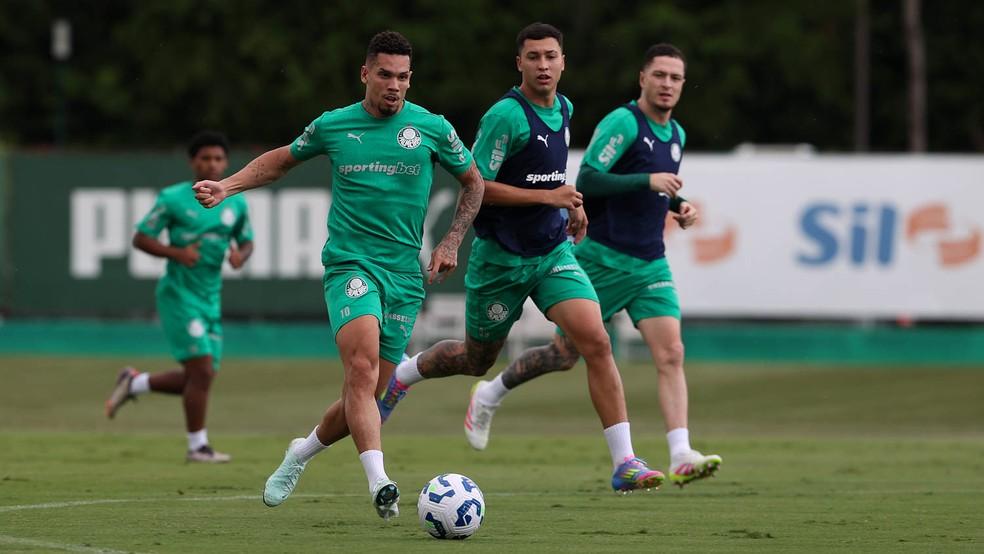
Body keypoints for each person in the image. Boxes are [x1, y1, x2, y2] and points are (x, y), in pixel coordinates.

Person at [191, 31, 484, 519]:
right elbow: (280, 161)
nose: (394, 85)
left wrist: (452, 241)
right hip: (351, 265)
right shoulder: (334, 125)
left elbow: (473, 182)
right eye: (385, 74)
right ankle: (380, 482)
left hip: (404, 277)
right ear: (365, 73)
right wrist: (228, 186)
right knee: (361, 370)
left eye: (403, 77)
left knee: (365, 395)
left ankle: (300, 453)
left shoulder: (432, 128)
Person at [377, 22, 664, 494]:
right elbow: (477, 185)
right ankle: (405, 374)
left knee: (596, 341)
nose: (543, 65)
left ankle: (625, 463)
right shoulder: (505, 116)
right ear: (519, 63)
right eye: (534, 57)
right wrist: (549, 198)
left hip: (552, 253)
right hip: (501, 260)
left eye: (551, 56)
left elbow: (549, 175)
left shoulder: (565, 107)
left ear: (563, 62)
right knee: (475, 359)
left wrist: (572, 205)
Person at [460, 43, 722, 488]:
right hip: (602, 258)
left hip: (650, 264)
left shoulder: (676, 133)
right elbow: (591, 179)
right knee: (564, 355)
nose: (667, 84)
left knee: (671, 352)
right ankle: (490, 392)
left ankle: (680, 453)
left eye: (676, 78)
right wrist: (649, 181)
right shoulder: (624, 122)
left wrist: (676, 204)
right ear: (643, 78)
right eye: (659, 75)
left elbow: (652, 187)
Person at [104, 130, 253, 464]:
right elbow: (142, 238)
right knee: (201, 370)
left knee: (200, 377)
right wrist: (177, 253)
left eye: (218, 158)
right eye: (205, 158)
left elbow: (246, 241)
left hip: (210, 297)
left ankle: (135, 383)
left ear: (226, 163)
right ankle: (197, 447)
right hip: (179, 294)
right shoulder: (173, 198)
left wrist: (240, 256)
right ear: (192, 162)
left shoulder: (235, 200)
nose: (212, 164)